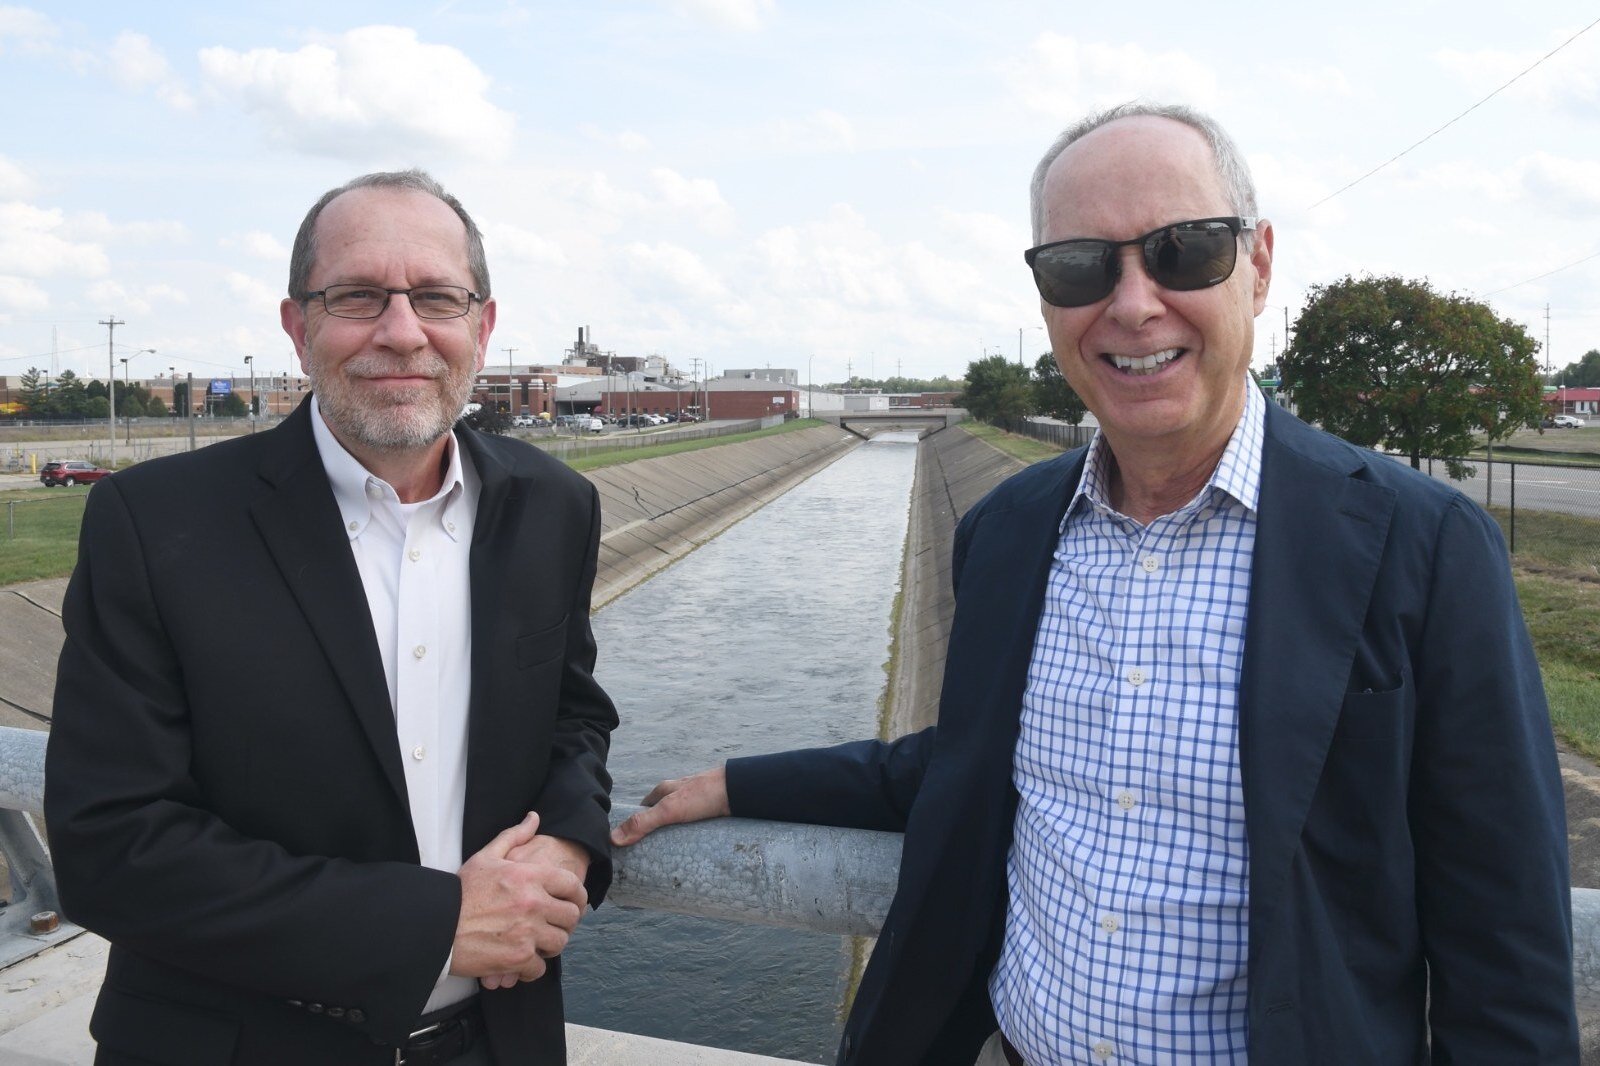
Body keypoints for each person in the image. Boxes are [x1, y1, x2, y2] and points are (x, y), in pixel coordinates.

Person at [611, 103, 1578, 1064]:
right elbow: (969, 764)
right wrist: (732, 782)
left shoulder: (1423, 545)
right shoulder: (1009, 531)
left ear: (1261, 264)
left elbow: (1505, 937)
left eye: (1184, 251)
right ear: (1045, 302)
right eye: (1081, 266)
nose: (1132, 304)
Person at [45, 170, 618, 1065]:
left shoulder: (556, 507)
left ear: (483, 325)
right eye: (357, 297)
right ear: (296, 326)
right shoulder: (155, 524)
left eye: (436, 297)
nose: (401, 332)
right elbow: (110, 845)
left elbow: (573, 715)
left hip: (498, 1040)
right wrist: (431, 926)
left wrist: (573, 845)